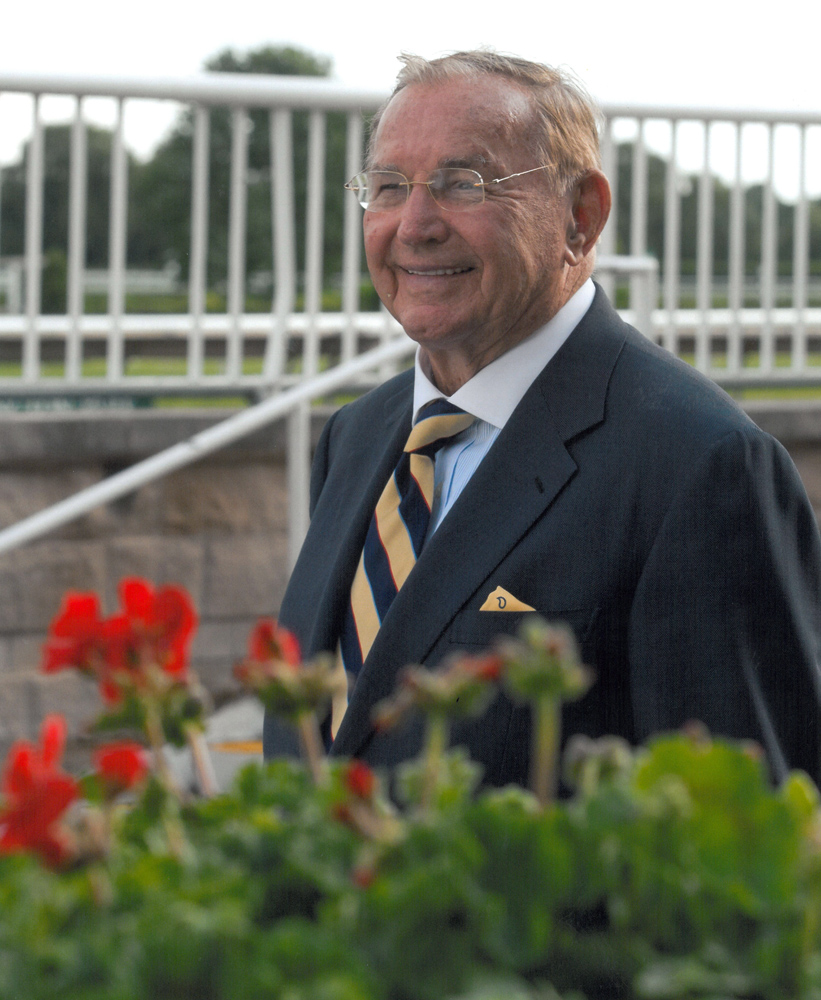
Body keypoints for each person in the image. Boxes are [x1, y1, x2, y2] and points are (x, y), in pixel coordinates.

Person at [263, 49, 821, 787]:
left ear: (580, 217)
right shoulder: (357, 436)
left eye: (464, 184)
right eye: (389, 186)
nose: (414, 224)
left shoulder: (698, 467)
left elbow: (738, 838)